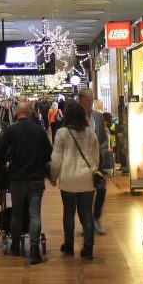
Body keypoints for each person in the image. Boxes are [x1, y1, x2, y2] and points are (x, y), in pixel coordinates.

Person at [0, 101, 52, 264]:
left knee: (17, 213)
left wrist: (7, 164)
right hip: (36, 179)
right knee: (34, 214)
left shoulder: (11, 130)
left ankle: (15, 246)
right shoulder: (39, 130)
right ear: (29, 113)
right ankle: (34, 249)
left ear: (16, 113)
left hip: (17, 179)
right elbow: (49, 153)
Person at [50, 101, 100, 260]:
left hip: (68, 179)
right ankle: (88, 249)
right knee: (87, 214)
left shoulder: (61, 133)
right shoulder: (91, 132)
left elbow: (56, 159)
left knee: (68, 213)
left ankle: (69, 246)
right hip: (86, 179)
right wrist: (93, 169)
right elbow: (96, 156)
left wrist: (53, 176)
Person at [78, 88, 108, 235]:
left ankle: (96, 218)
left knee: (102, 189)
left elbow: (103, 138)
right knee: (85, 193)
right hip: (82, 160)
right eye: (87, 100)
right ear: (80, 101)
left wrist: (102, 150)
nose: (90, 102)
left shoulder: (98, 116)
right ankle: (87, 223)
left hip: (98, 161)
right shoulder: (75, 117)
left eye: (91, 99)